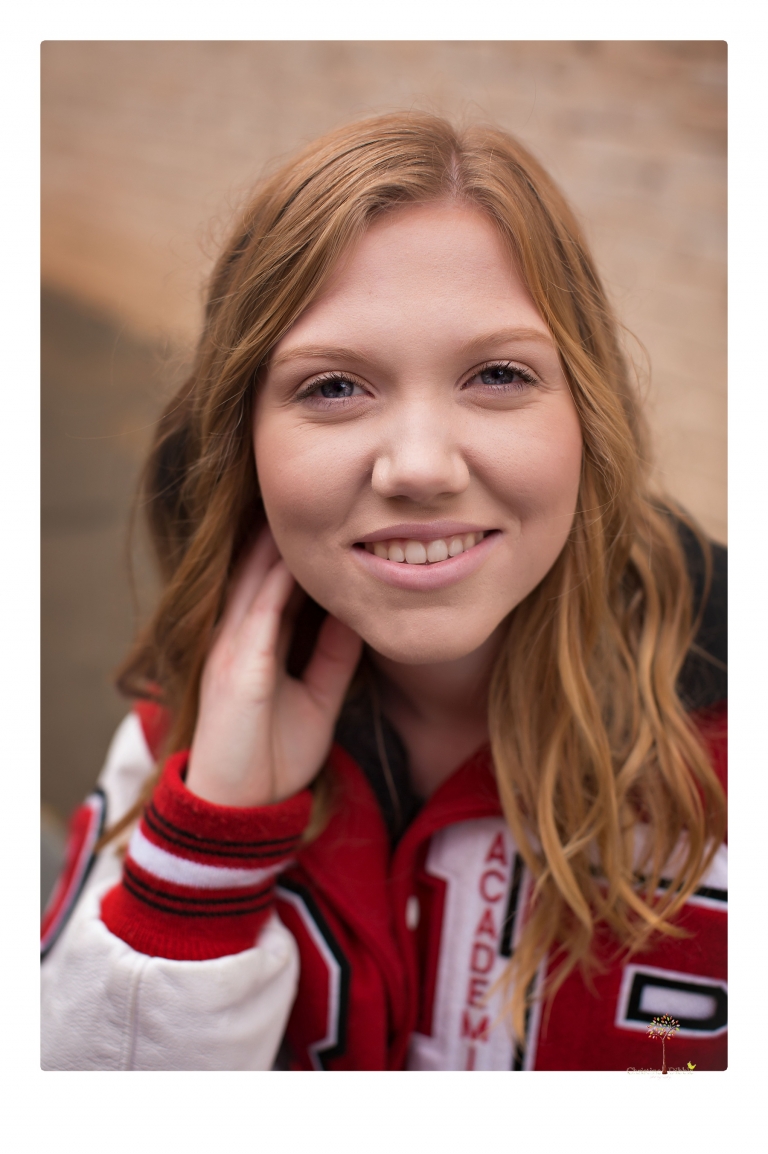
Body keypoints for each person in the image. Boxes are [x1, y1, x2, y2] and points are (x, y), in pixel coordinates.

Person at [41, 112, 727, 1071]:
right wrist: (211, 844)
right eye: (332, 388)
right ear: (241, 439)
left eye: (497, 374)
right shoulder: (176, 747)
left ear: (589, 410)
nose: (418, 467)